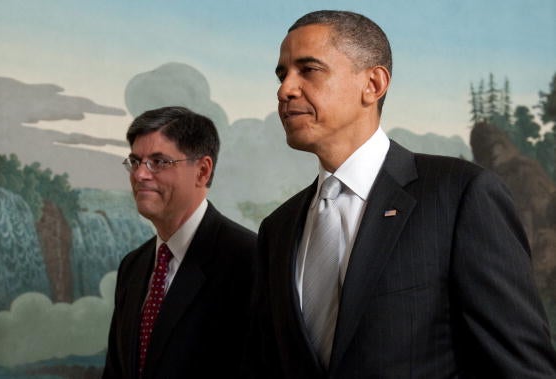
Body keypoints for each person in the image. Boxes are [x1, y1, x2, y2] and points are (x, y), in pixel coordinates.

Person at [244, 10, 556, 378]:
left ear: (373, 84)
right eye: (282, 75)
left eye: (308, 69)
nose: (285, 89)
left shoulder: (460, 195)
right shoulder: (277, 230)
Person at [103, 106, 257, 378]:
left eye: (158, 162)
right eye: (135, 161)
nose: (139, 175)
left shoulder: (250, 260)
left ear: (202, 171)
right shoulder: (133, 266)